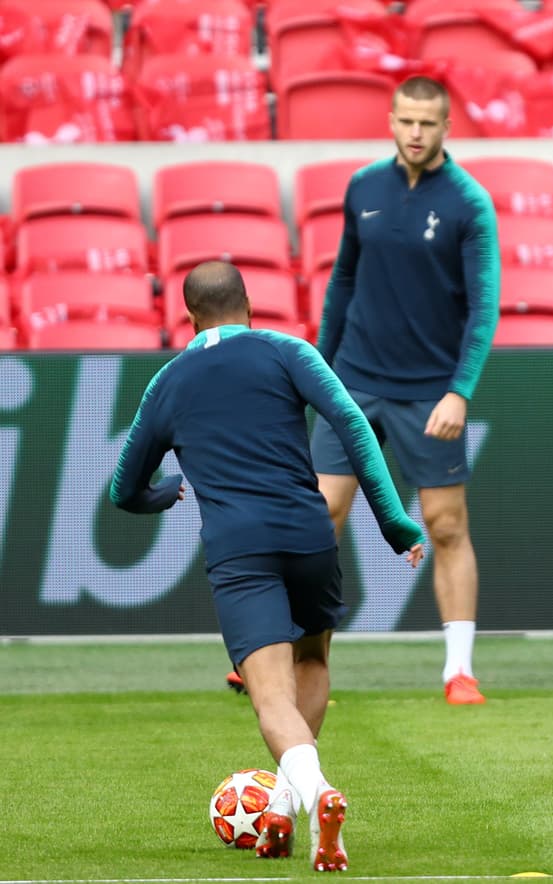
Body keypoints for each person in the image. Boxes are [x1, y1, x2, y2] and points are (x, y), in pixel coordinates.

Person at [111, 261, 426, 871]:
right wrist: (394, 524)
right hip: (309, 536)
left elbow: (124, 489)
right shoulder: (289, 351)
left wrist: (164, 491)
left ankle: (316, 794)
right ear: (250, 306)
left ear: (189, 318)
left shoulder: (168, 382)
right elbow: (354, 427)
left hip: (240, 549)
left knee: (270, 697)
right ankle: (281, 805)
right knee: (312, 659)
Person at [311, 75, 499, 706]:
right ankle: (301, 659)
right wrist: (319, 369)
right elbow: (342, 284)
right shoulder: (364, 187)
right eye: (406, 121)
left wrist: (460, 391)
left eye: (428, 123)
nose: (416, 133)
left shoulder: (469, 202)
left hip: (429, 393)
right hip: (354, 381)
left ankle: (459, 671)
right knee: (319, 517)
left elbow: (483, 308)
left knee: (446, 525)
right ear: (391, 121)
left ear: (447, 127)